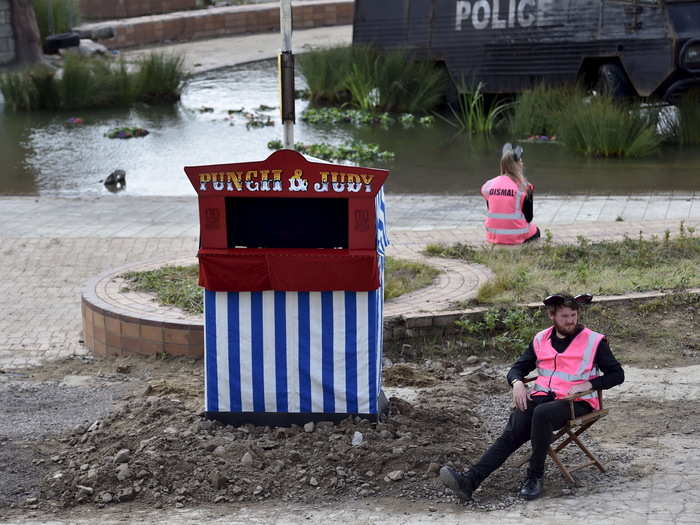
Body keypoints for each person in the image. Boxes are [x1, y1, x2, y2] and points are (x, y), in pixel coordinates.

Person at [440, 293, 624, 501]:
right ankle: (469, 481)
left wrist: (589, 384)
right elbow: (517, 369)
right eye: (565, 316)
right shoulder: (540, 339)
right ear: (551, 316)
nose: (571, 320)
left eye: (574, 315)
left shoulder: (594, 341)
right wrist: (517, 383)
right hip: (544, 399)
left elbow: (618, 375)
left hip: (577, 402)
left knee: (541, 414)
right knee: (515, 429)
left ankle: (534, 477)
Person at [480, 143, 540, 245]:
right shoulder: (525, 187)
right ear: (517, 165)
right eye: (520, 160)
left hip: (492, 235)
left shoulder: (489, 185)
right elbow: (529, 217)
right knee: (536, 230)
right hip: (515, 236)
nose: (522, 163)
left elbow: (492, 210)